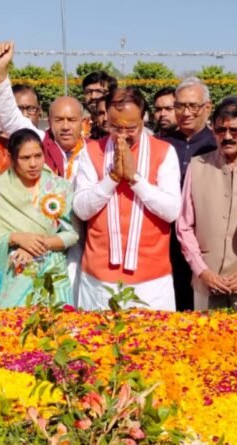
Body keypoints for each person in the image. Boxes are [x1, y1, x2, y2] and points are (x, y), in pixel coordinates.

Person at [73, 87, 181, 311]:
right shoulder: (91, 151)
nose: (122, 134)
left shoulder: (164, 151)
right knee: (96, 343)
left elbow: (171, 211)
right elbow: (82, 209)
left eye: (130, 127)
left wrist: (134, 179)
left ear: (144, 120)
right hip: (99, 278)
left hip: (151, 280)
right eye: (115, 127)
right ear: (105, 119)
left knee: (152, 344)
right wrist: (112, 177)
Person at [177, 100, 237, 311]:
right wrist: (202, 271)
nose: (228, 136)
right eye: (221, 130)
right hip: (205, 281)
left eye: (235, 130)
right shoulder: (198, 165)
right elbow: (184, 226)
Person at [0, 129, 79, 308]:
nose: (33, 164)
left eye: (38, 156)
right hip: (14, 274)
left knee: (57, 332)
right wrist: (16, 238)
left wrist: (38, 245)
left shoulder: (59, 187)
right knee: (14, 330)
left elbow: (72, 234)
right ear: (11, 158)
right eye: (25, 158)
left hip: (53, 272)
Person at [0, 41, 90, 181]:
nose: (65, 127)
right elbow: (10, 116)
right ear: (49, 121)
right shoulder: (39, 140)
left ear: (83, 122)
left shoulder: (95, 150)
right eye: (59, 120)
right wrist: (0, 69)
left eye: (72, 120)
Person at [161, 77, 217, 311]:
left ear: (207, 107)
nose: (186, 112)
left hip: (203, 239)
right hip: (166, 241)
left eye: (193, 106)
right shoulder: (162, 145)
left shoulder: (217, 145)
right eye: (180, 106)